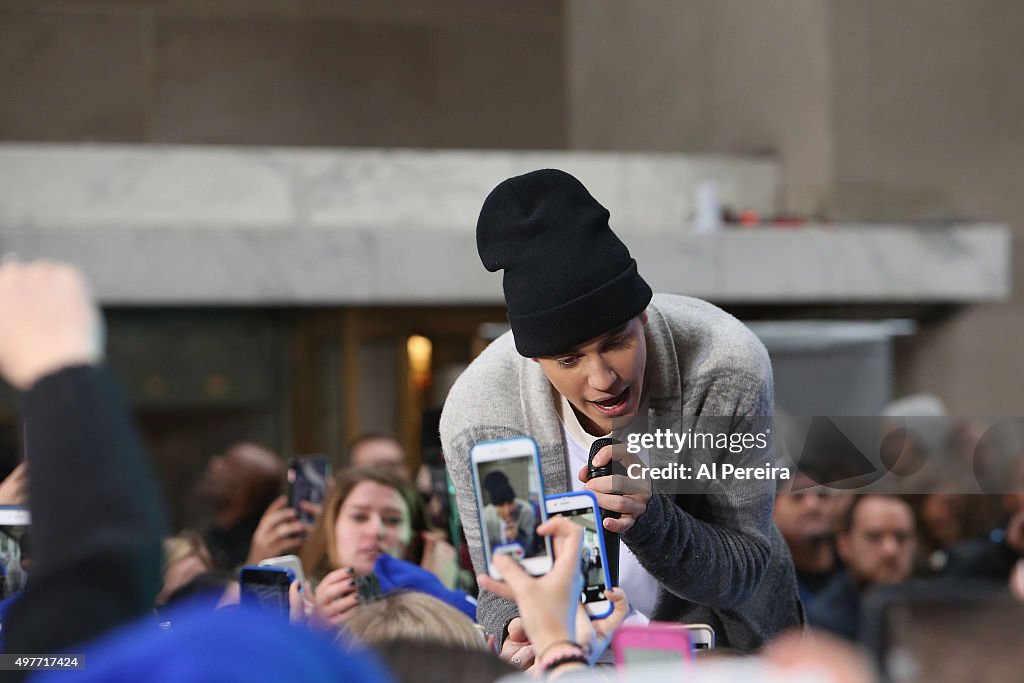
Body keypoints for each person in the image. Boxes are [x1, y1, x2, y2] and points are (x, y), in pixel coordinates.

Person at [440, 169, 801, 652]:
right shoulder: (479, 415)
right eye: (568, 360)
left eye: (617, 342)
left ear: (644, 315)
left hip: (727, 647)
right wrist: (512, 631)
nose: (602, 379)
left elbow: (745, 570)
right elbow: (503, 581)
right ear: (534, 360)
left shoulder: (725, 368)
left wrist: (649, 518)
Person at [300, 466, 474, 626]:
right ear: (331, 528)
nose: (376, 531)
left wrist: (438, 599)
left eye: (393, 520)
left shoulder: (442, 591)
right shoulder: (294, 603)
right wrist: (313, 630)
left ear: (415, 538)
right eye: (359, 517)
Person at [807, 494, 917, 641]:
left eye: (901, 537)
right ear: (844, 546)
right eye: (874, 537)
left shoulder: (935, 609)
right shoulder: (822, 624)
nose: (890, 550)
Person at [195, 441, 288, 570]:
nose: (214, 463)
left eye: (227, 463)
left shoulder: (258, 549)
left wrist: (253, 567)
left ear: (241, 491)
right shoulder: (213, 538)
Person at [481, 470, 535, 553]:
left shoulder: (526, 511)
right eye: (501, 505)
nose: (507, 510)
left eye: (510, 502)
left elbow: (530, 548)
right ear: (494, 506)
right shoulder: (485, 516)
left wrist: (518, 536)